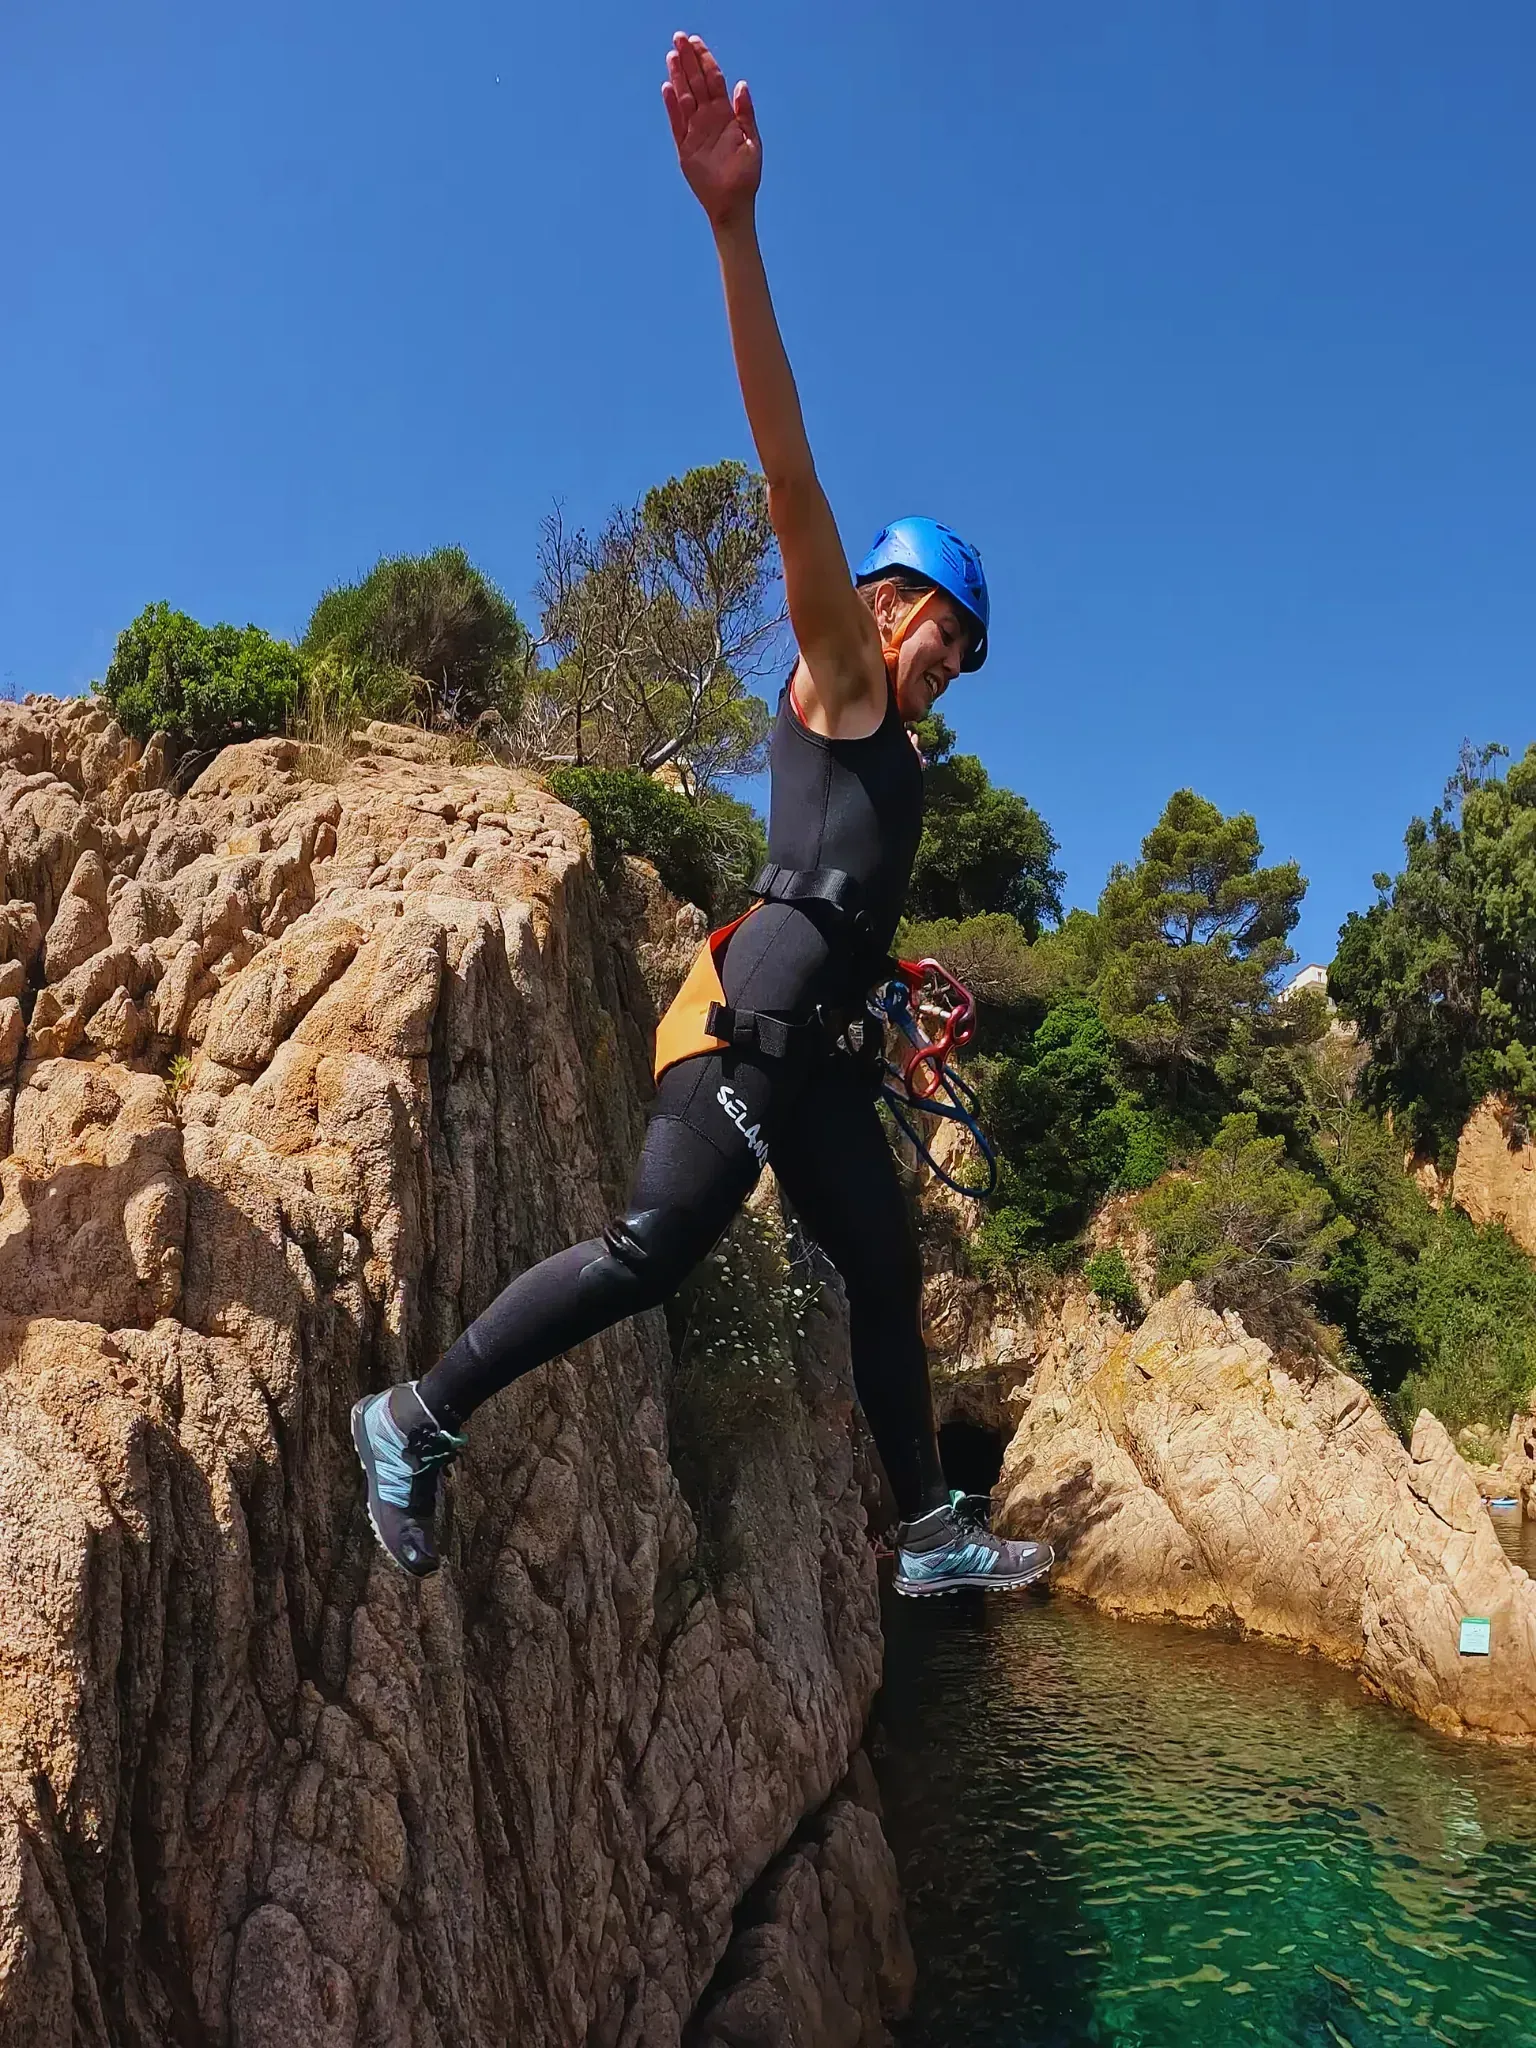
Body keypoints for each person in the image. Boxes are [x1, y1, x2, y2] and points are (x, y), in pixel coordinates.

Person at [352, 32, 1054, 1600]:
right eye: (930, 622)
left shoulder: (902, 747)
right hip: (741, 1030)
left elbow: (853, 889)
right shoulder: (842, 668)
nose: (938, 658)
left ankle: (928, 1532)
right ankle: (412, 1416)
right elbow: (791, 476)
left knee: (885, 1275)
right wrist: (734, 227)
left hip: (822, 1063)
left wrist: (893, 1000)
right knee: (654, 1250)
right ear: (882, 600)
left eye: (959, 650)